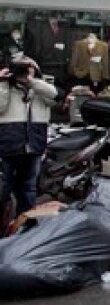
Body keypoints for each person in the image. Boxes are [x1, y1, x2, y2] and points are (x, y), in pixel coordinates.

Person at [0, 57, 61, 214]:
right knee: (3, 189)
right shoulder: (6, 87)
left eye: (29, 69)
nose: (25, 73)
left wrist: (33, 81)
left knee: (29, 189)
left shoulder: (40, 88)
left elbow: (54, 96)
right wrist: (3, 82)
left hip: (33, 146)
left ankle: (26, 226)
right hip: (8, 146)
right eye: (21, 69)